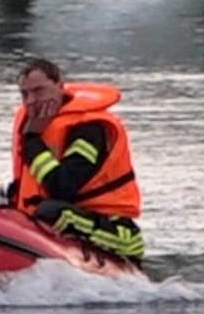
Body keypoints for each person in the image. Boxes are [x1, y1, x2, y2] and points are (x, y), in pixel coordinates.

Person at [9, 57, 145, 262]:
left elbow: (63, 186)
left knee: (51, 211)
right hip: (45, 218)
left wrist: (32, 141)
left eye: (39, 91)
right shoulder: (36, 124)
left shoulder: (89, 128)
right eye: (24, 94)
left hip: (113, 228)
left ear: (60, 86)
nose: (30, 101)